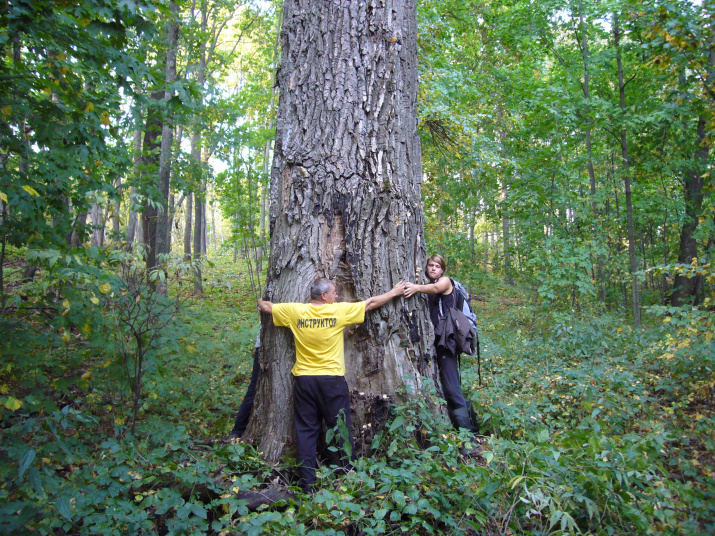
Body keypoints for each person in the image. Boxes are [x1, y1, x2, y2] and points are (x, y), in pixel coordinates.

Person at [257, 278, 405, 492]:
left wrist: (260, 301)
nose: (337, 296)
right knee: (340, 427)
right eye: (334, 293)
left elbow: (268, 307)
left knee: (306, 431)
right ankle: (348, 476)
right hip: (331, 381)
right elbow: (370, 304)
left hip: (305, 380)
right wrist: (394, 292)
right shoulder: (338, 312)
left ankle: (307, 484)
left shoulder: (295, 312)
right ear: (324, 296)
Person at [404, 254, 479, 453]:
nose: (434, 269)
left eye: (437, 266)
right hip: (436, 342)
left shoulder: (445, 282)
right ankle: (471, 429)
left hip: (447, 343)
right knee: (451, 384)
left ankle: (469, 440)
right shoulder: (428, 285)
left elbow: (437, 288)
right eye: (430, 265)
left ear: (443, 269)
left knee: (452, 387)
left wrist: (415, 288)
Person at [228, 334, 260, 440]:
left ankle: (237, 431)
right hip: (263, 348)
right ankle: (237, 430)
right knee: (254, 389)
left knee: (253, 389)